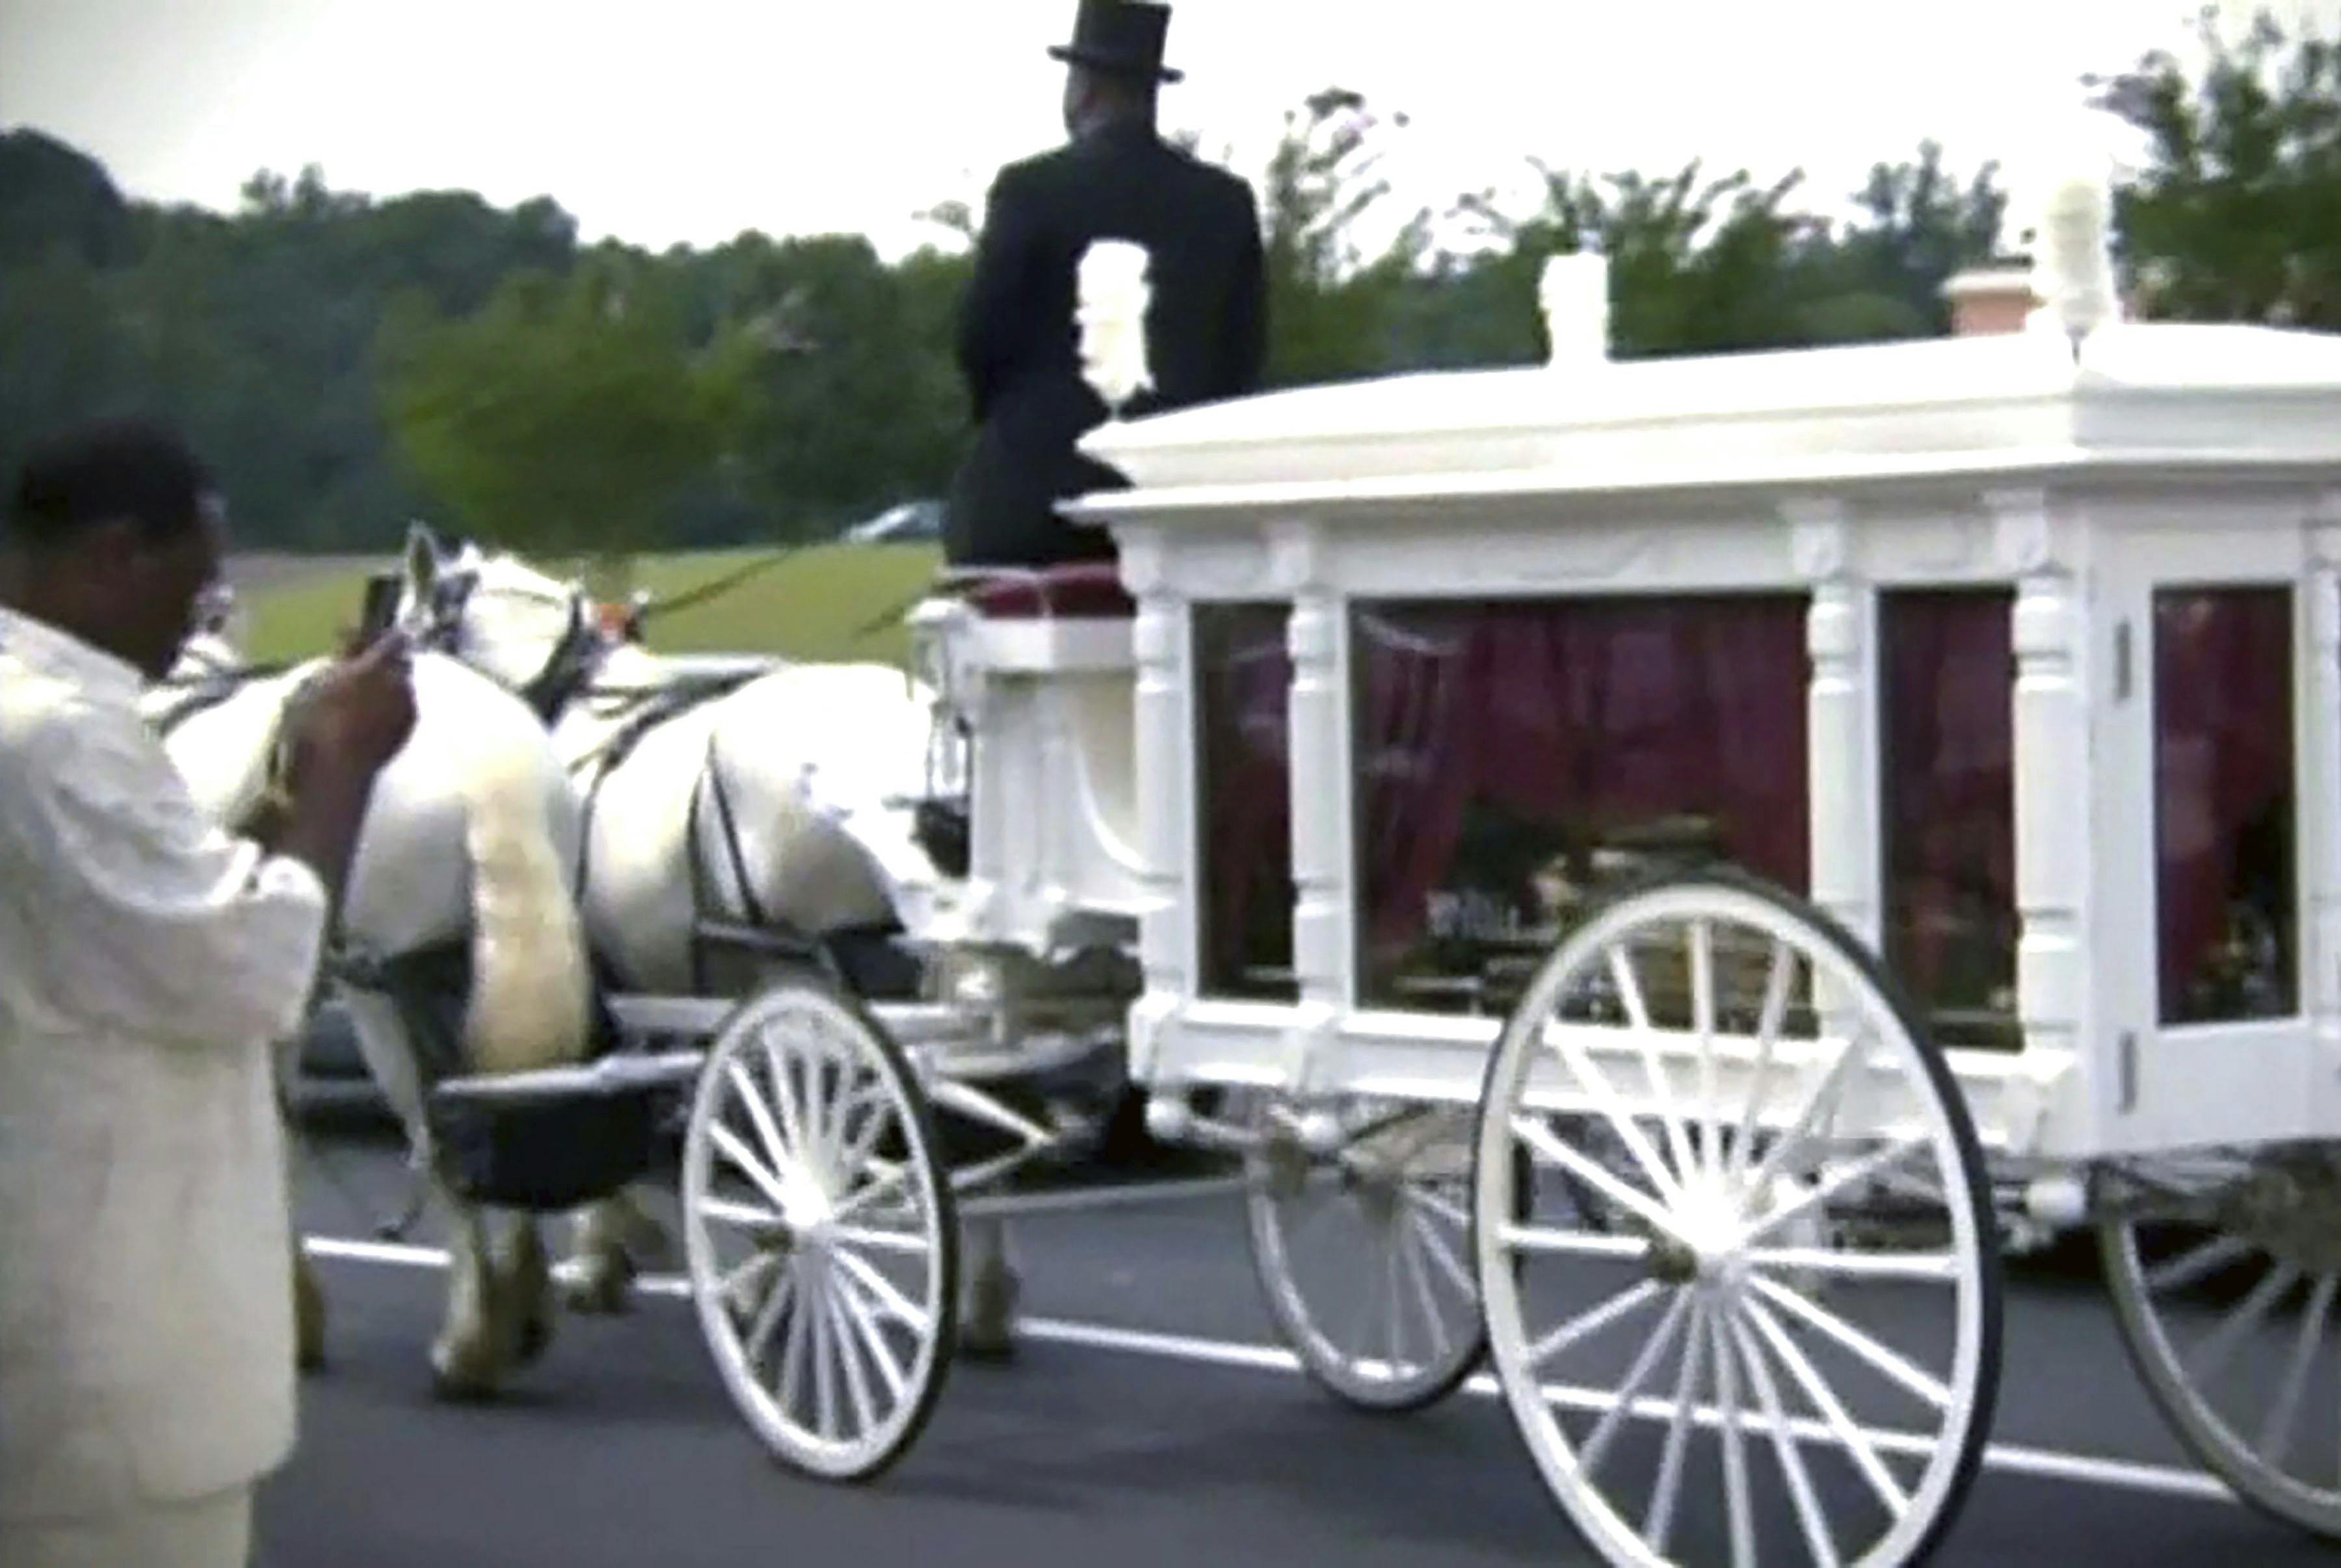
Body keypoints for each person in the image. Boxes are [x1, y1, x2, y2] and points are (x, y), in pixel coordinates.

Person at [0, 418, 417, 1568]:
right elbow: (249, 963)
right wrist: (342, 766)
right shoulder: (56, 741)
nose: (203, 620)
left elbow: (162, 915)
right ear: (114, 557)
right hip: (104, 1352)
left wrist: (295, 769)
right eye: (198, 587)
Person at [944, 0, 1269, 569]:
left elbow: (982, 341)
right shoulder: (1224, 203)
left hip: (1035, 497)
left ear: (1083, 90)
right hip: (1178, 499)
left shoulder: (1029, 190)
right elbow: (1242, 356)